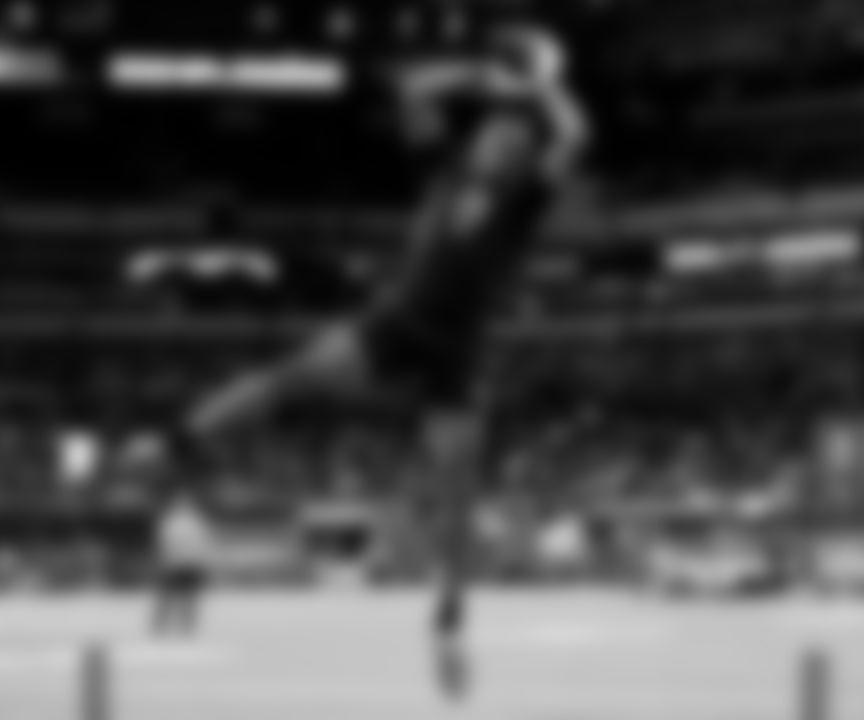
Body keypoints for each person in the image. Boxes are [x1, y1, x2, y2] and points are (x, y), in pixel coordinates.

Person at [162, 22, 589, 698]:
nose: (498, 139)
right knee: (297, 374)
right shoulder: (446, 165)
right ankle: (189, 434)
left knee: (457, 494)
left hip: (459, 349)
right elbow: (410, 90)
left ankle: (450, 621)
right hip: (396, 323)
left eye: (512, 137)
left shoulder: (527, 196)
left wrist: (544, 88)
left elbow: (573, 137)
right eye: (492, 131)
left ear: (520, 152)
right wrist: (481, 76)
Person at [151, 490, 215, 636]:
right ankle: (164, 626)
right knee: (171, 598)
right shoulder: (173, 522)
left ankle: (183, 627)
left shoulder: (195, 522)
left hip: (185, 564)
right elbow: (165, 543)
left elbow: (203, 544)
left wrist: (203, 561)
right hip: (178, 563)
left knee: (186, 598)